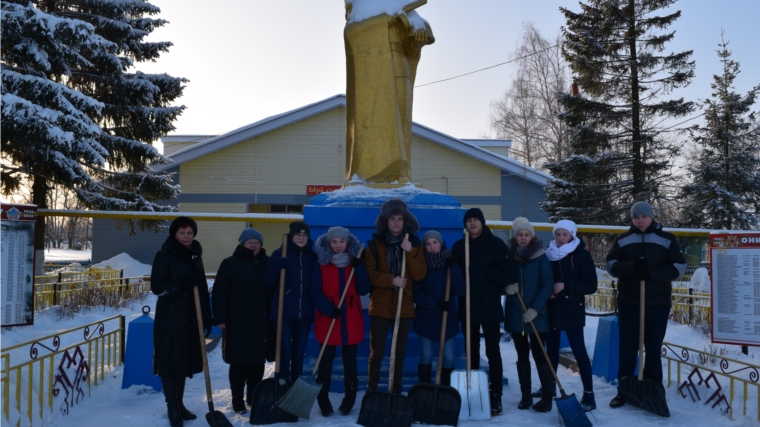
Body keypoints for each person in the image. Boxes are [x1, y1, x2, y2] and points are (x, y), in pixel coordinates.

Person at [344, 1, 434, 183]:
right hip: (369, 77)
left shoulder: (400, 3)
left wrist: (417, 35)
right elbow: (352, 31)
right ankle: (366, 173)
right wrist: (383, 20)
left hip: (399, 67)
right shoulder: (360, 5)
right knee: (369, 120)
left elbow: (420, 25)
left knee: (400, 120)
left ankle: (399, 173)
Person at [606, 202, 686, 409]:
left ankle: (653, 391)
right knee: (627, 347)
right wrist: (633, 267)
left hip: (657, 303)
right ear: (632, 219)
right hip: (629, 302)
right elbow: (611, 265)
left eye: (644, 216)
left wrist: (651, 273)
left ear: (651, 217)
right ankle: (624, 390)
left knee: (652, 348)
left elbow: (679, 267)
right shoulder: (622, 240)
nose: (640, 220)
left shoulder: (667, 239)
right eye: (636, 217)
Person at [451, 207, 515, 416]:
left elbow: (508, 273)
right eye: (468, 220)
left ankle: (495, 393)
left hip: (489, 305)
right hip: (467, 305)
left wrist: (486, 273)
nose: (472, 223)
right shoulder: (460, 246)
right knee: (471, 351)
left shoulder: (496, 245)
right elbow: (453, 276)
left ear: (482, 222)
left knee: (493, 351)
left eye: (475, 220)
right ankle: (474, 391)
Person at [150, 216, 212, 427]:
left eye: (190, 232)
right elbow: (157, 287)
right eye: (182, 232)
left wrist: (206, 316)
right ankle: (172, 407)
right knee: (170, 361)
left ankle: (180, 403)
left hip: (191, 317)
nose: (186, 236)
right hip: (170, 317)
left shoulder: (196, 256)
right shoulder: (164, 255)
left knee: (183, 361)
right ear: (174, 234)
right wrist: (183, 285)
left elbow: (202, 289)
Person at [365, 199, 427, 393]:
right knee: (378, 352)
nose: (396, 223)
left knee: (399, 353)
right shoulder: (375, 245)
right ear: (386, 222)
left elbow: (420, 274)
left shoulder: (414, 244)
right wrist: (391, 280)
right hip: (381, 307)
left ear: (405, 221)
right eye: (392, 219)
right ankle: (372, 389)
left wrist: (409, 252)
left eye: (400, 219)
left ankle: (396, 390)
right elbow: (371, 274)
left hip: (404, 307)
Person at [310, 226, 371, 416]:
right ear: (328, 243)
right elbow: (315, 292)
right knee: (325, 364)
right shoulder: (321, 263)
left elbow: (363, 290)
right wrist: (329, 310)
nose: (338, 245)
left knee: (350, 364)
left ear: (347, 243)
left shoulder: (355, 262)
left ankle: (349, 399)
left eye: (341, 242)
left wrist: (359, 268)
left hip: (351, 320)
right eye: (334, 242)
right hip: (327, 320)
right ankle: (323, 400)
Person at [212, 228, 269, 414]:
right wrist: (220, 317)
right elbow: (219, 292)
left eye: (256, 242)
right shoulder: (230, 263)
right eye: (249, 242)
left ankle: (253, 397)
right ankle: (237, 399)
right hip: (237, 320)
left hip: (260, 321)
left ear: (261, 244)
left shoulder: (267, 263)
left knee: (257, 362)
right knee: (238, 363)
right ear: (242, 243)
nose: (253, 245)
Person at [544, 220, 597, 411]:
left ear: (572, 235)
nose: (560, 239)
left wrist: (565, 286)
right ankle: (549, 388)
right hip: (552, 307)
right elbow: (545, 278)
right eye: (557, 234)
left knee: (579, 351)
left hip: (573, 309)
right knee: (551, 351)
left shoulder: (582, 256)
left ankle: (589, 394)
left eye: (564, 235)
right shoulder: (548, 254)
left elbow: (591, 285)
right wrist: (547, 290)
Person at [503, 217, 554, 413]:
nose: (523, 238)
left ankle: (547, 396)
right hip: (516, 315)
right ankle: (526, 396)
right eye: (520, 235)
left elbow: (547, 284)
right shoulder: (509, 257)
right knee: (522, 354)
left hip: (536, 315)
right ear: (514, 237)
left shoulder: (541, 257)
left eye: (527, 235)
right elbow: (501, 276)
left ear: (532, 237)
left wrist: (536, 309)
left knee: (540, 354)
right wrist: (505, 287)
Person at [263, 220, 318, 382]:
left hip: (304, 314)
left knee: (298, 355)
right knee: (285, 353)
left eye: (304, 235)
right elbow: (267, 282)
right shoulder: (279, 254)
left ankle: (294, 388)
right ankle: (282, 384)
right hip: (283, 313)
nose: (301, 238)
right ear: (291, 236)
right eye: (298, 235)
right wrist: (276, 267)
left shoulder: (312, 257)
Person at [413, 230, 465, 386]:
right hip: (426, 319)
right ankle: (425, 391)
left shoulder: (450, 263)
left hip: (447, 319)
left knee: (448, 358)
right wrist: (436, 303)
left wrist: (455, 268)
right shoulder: (421, 266)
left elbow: (461, 290)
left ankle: (446, 391)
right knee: (426, 356)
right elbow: (416, 295)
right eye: (428, 244)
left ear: (441, 244)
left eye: (435, 242)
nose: (432, 246)